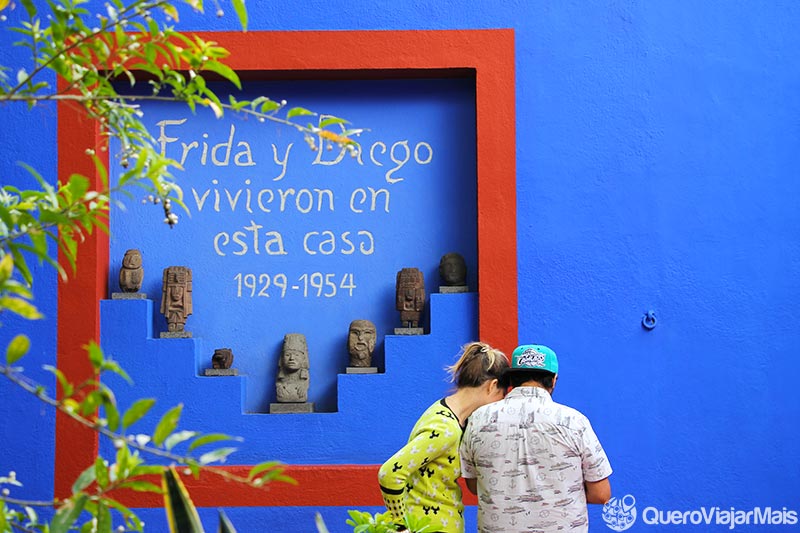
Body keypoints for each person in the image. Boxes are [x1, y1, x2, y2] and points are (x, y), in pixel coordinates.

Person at [460, 344, 612, 533]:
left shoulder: (478, 419)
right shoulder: (574, 422)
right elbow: (601, 494)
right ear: (554, 380)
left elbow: (475, 486)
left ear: (512, 379)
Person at [378, 341, 509, 533]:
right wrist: (400, 527)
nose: (500, 402)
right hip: (431, 526)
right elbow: (390, 473)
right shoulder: (445, 428)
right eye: (502, 395)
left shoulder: (446, 414)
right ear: (492, 386)